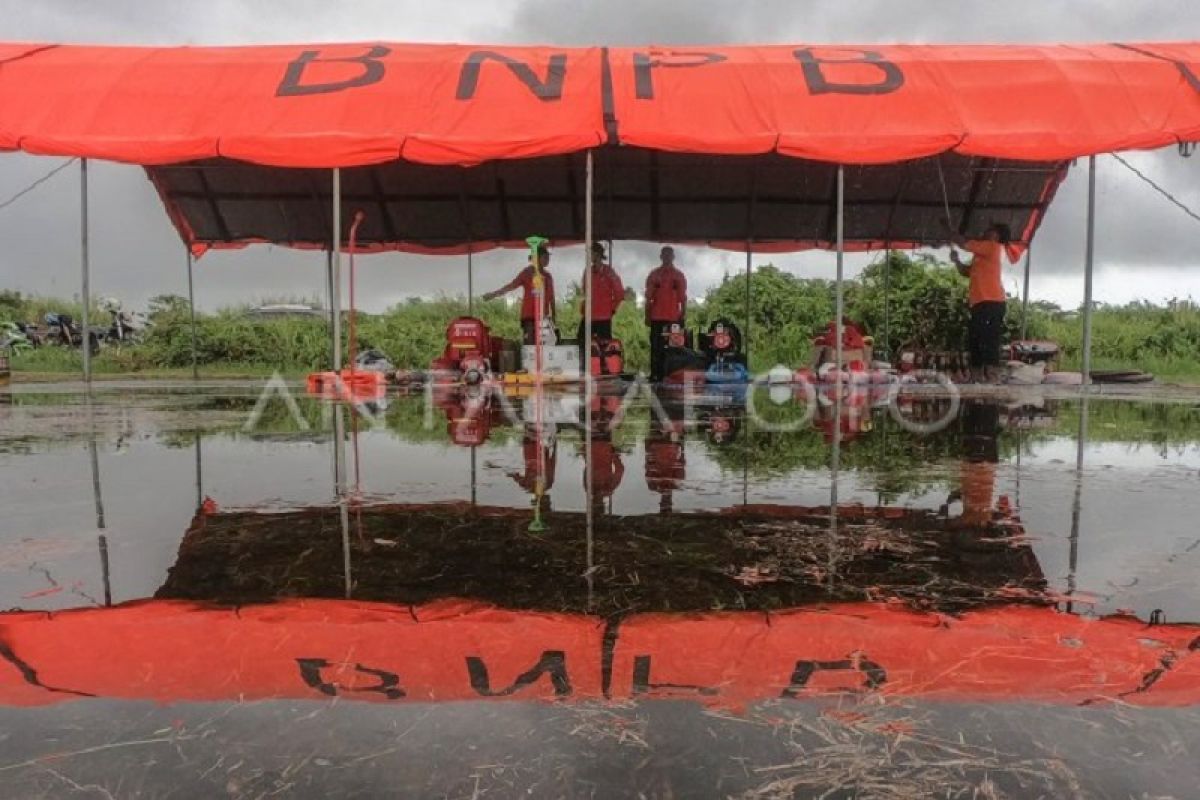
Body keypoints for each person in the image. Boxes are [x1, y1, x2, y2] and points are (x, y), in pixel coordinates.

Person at [948, 223, 1011, 383]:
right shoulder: (981, 255)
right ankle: (977, 375)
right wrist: (956, 261)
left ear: (996, 236)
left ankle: (992, 375)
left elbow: (964, 243)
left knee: (988, 339)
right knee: (975, 338)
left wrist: (952, 232)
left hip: (992, 300)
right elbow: (966, 272)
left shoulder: (992, 247)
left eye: (990, 230)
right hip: (980, 302)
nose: (985, 231)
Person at [482, 245, 555, 345]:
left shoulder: (548, 276)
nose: (548, 259)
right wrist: (493, 294)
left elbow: (552, 298)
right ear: (537, 258)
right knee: (530, 346)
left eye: (548, 257)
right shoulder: (527, 273)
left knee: (547, 345)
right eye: (545, 257)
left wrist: (554, 317)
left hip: (544, 318)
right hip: (529, 317)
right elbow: (511, 286)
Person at [644, 246, 687, 382]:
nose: (667, 257)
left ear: (673, 257)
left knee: (674, 348)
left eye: (669, 255)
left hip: (673, 318)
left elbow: (683, 298)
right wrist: (647, 316)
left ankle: (671, 374)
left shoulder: (679, 275)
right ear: (661, 256)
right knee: (656, 348)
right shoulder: (654, 274)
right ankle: (655, 374)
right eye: (665, 255)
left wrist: (683, 315)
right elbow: (648, 298)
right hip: (656, 317)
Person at [577, 242, 625, 343]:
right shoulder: (587, 271)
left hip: (603, 317)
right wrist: (583, 305)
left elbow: (620, 294)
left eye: (590, 253)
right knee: (581, 343)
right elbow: (585, 292)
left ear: (597, 254)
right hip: (588, 315)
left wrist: (612, 309)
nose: (588, 256)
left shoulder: (609, 272)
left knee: (603, 347)